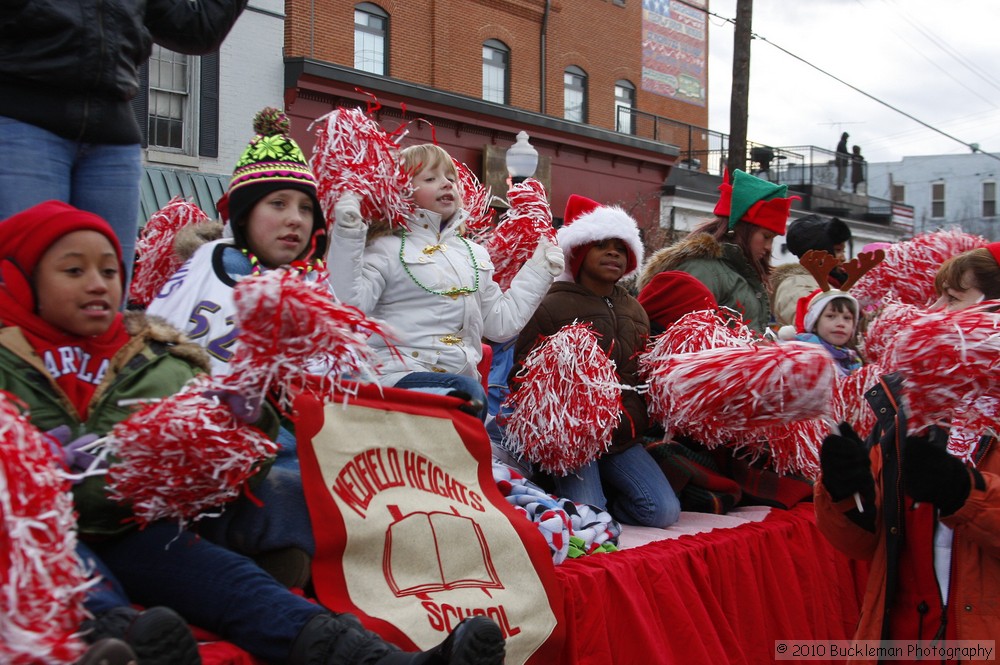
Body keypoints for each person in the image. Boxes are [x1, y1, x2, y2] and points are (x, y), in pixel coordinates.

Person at [0, 200, 506, 665]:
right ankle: (120, 644)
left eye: (109, 270)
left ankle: (386, 661)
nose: (97, 283)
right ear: (20, 281)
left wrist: (245, 412)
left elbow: (226, 462)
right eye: (74, 270)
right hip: (33, 543)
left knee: (239, 587)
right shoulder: (7, 356)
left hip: (134, 530)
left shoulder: (156, 355)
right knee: (69, 567)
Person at [814, 242, 1000, 653]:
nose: (934, 310)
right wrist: (847, 494)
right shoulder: (907, 402)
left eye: (952, 298)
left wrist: (964, 493)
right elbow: (868, 546)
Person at [0, 0, 250, 289]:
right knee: (20, 287)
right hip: (23, 115)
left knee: (106, 293)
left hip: (112, 131)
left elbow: (197, 28)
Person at [147, 107, 327, 471]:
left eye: (307, 208)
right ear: (243, 214)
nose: (295, 218)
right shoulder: (212, 263)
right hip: (205, 438)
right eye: (278, 204)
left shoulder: (315, 283)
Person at [328, 143, 564, 417]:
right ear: (402, 191)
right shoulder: (386, 247)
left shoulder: (474, 254)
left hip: (459, 386)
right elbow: (350, 309)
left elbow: (501, 324)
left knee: (469, 397)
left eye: (450, 178)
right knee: (466, 395)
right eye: (430, 178)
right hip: (398, 380)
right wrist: (347, 234)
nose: (445, 184)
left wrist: (539, 270)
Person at [509, 194, 680, 528]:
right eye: (602, 245)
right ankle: (567, 492)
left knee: (664, 511)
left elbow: (640, 372)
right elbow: (523, 376)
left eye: (621, 247)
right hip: (573, 443)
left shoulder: (636, 310)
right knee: (590, 515)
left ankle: (605, 496)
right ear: (580, 252)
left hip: (622, 437)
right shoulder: (550, 306)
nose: (613, 253)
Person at [637, 169, 799, 335]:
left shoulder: (740, 274)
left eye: (772, 239)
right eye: (766, 237)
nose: (768, 247)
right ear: (743, 230)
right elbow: (683, 339)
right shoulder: (702, 270)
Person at [771, 214, 852, 327]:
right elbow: (811, 325)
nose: (843, 258)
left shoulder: (835, 284)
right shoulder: (795, 285)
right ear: (819, 252)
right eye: (837, 250)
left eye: (843, 251)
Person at [778, 289, 863, 376]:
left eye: (847, 318)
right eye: (831, 316)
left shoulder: (852, 360)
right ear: (814, 324)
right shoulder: (799, 356)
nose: (841, 324)